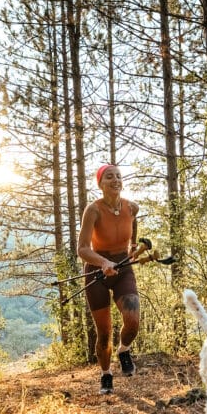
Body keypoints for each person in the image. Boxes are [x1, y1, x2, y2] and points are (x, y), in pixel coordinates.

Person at [78, 163, 144, 394]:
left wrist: (134, 246)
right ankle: (106, 374)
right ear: (100, 183)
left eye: (118, 176)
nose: (115, 180)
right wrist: (103, 263)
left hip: (123, 267)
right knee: (104, 332)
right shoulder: (93, 210)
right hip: (97, 271)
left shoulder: (131, 207)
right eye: (109, 177)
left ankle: (124, 350)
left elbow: (133, 223)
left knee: (133, 321)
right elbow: (83, 249)